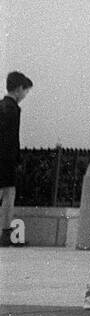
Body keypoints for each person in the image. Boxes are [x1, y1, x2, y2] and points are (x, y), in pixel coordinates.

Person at [0, 72, 33, 245]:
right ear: (20, 89)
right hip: (5, 160)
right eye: (26, 91)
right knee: (8, 193)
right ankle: (5, 233)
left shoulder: (2, 106)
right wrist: (16, 160)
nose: (25, 95)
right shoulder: (12, 108)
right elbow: (11, 138)